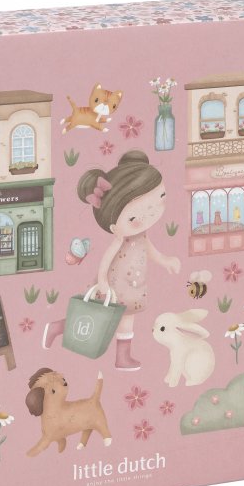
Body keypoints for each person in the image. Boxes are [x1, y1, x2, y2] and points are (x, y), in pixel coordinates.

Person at [43, 150, 180, 370]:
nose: (151, 214)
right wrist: (103, 282)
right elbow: (106, 260)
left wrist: (165, 260)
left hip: (134, 287)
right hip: (115, 287)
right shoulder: (119, 239)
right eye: (134, 217)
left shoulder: (140, 235)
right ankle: (58, 328)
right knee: (97, 318)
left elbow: (149, 249)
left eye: (161, 199)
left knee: (123, 320)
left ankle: (122, 358)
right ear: (114, 224)